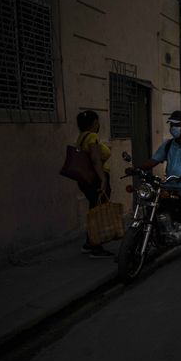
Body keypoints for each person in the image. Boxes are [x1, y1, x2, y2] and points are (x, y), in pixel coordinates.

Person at [136, 110, 181, 271]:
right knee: (155, 209)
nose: (173, 128)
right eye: (171, 125)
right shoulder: (168, 145)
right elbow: (154, 160)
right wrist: (137, 168)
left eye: (176, 125)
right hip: (170, 186)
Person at [75, 110, 114, 258]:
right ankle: (96, 248)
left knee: (94, 209)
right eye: (98, 122)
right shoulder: (92, 136)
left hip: (86, 179)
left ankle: (89, 243)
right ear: (95, 123)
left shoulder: (81, 137)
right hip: (96, 178)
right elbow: (95, 159)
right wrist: (103, 179)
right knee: (98, 211)